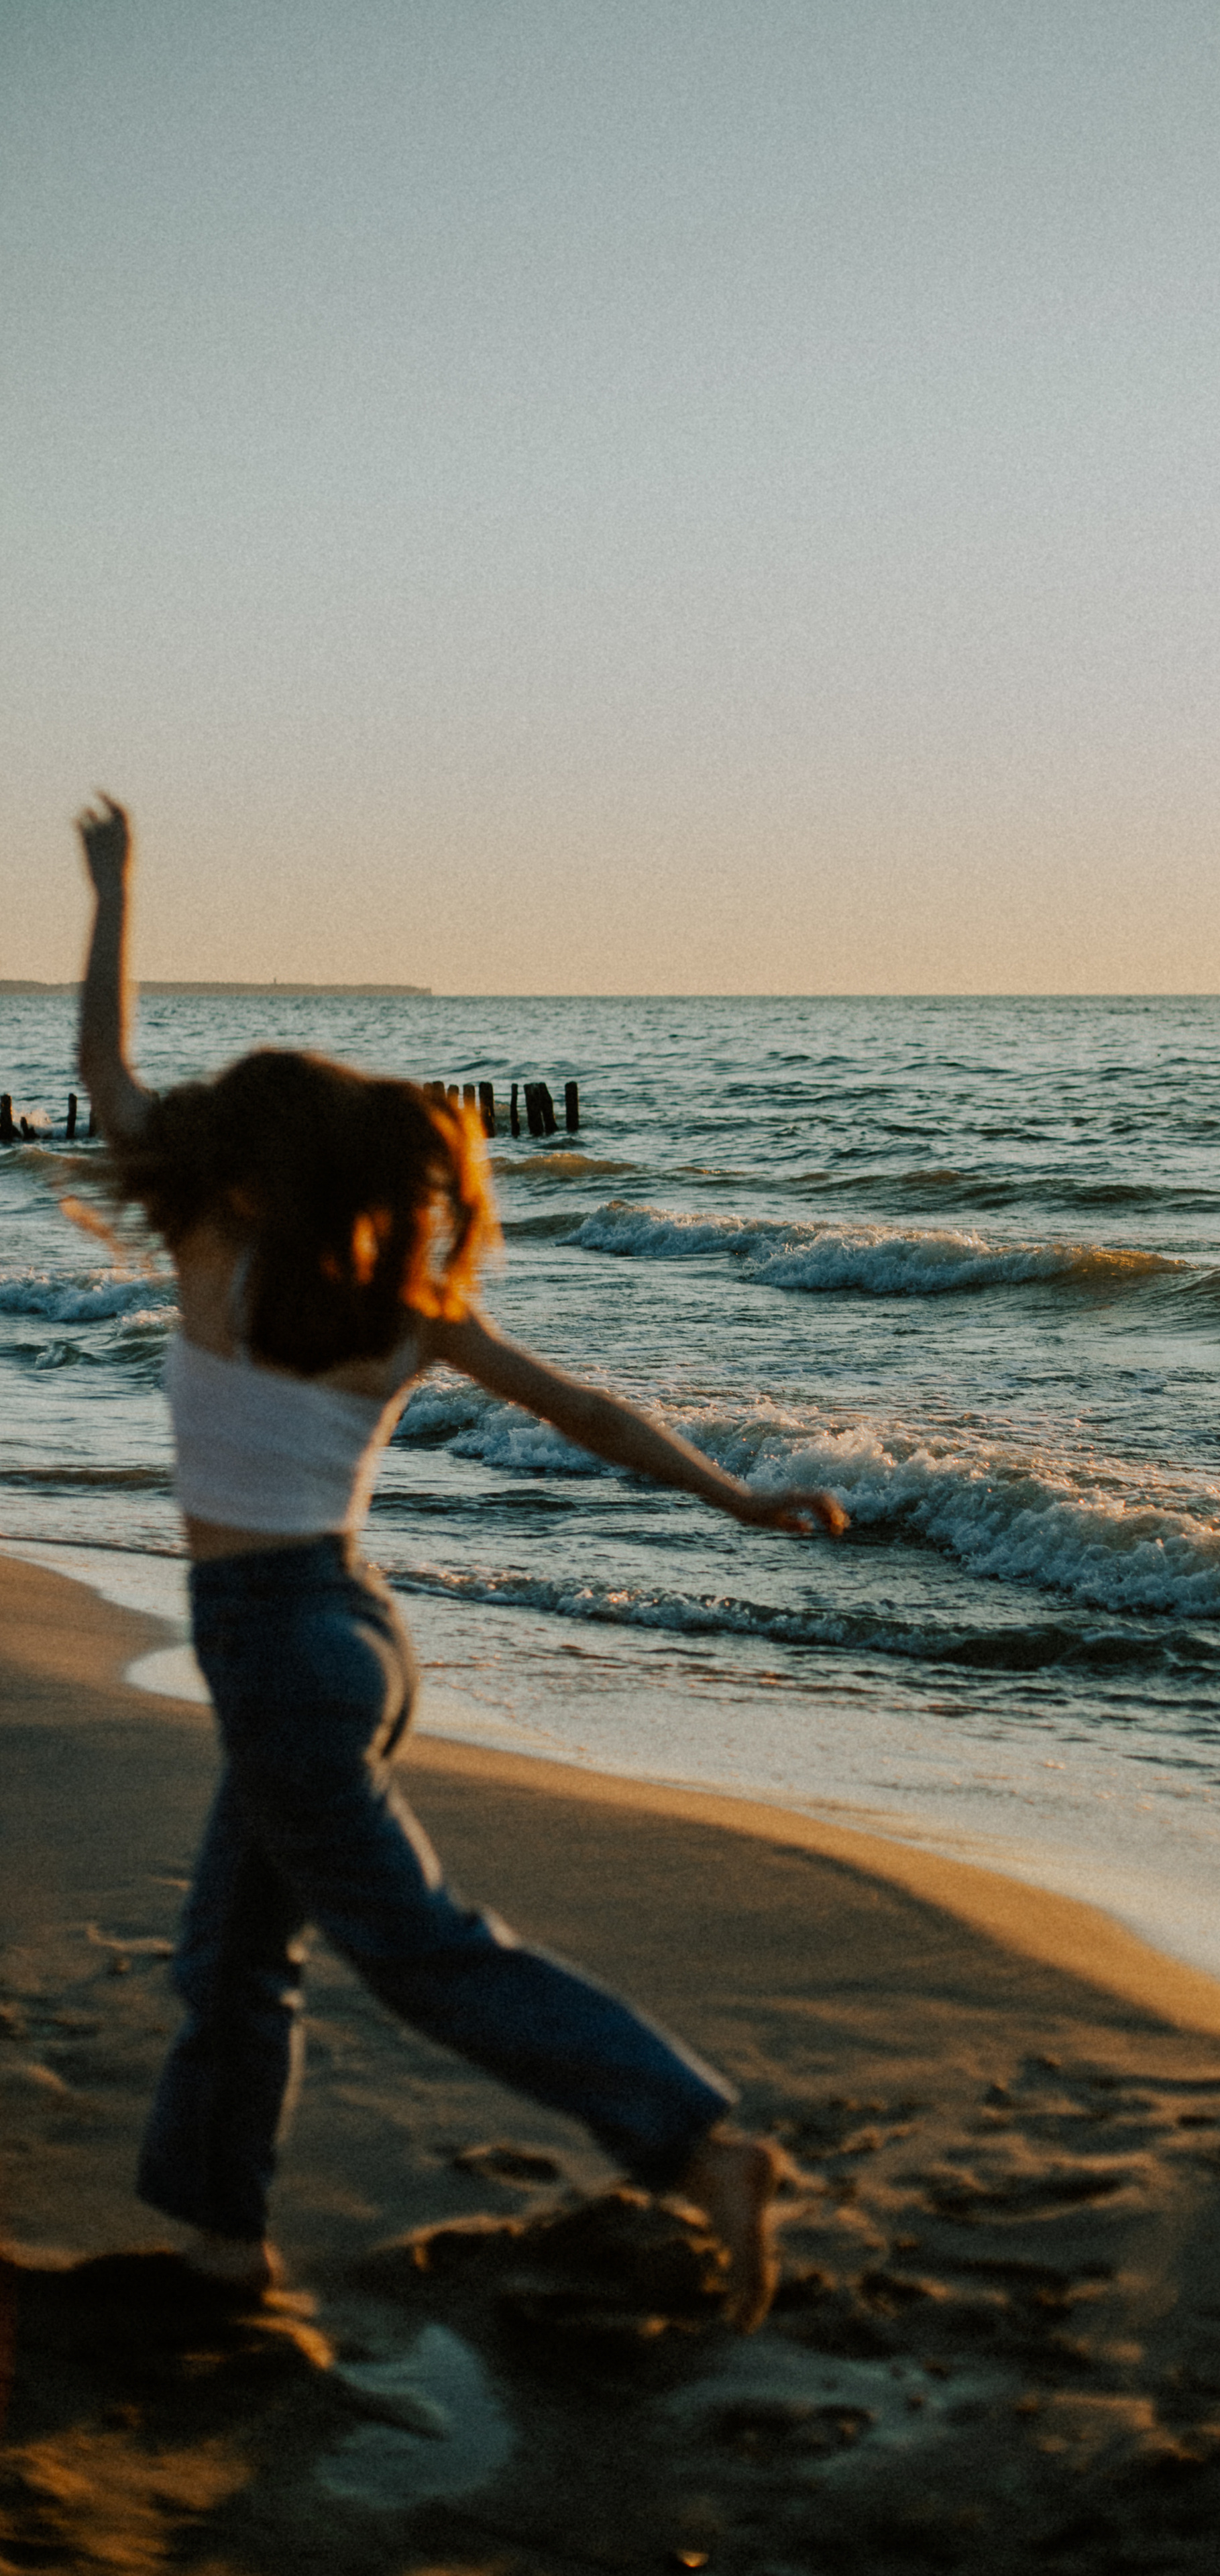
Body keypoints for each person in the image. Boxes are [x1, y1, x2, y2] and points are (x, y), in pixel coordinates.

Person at [73, 794, 846, 2327]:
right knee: (232, 1955)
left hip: (275, 1648)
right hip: (351, 1633)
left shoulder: (212, 1254)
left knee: (414, 1946)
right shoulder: (412, 1308)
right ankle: (221, 2249)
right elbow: (590, 1414)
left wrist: (115, 889)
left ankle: (692, 2140)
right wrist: (734, 1497)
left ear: (254, 1173)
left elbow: (102, 1069)